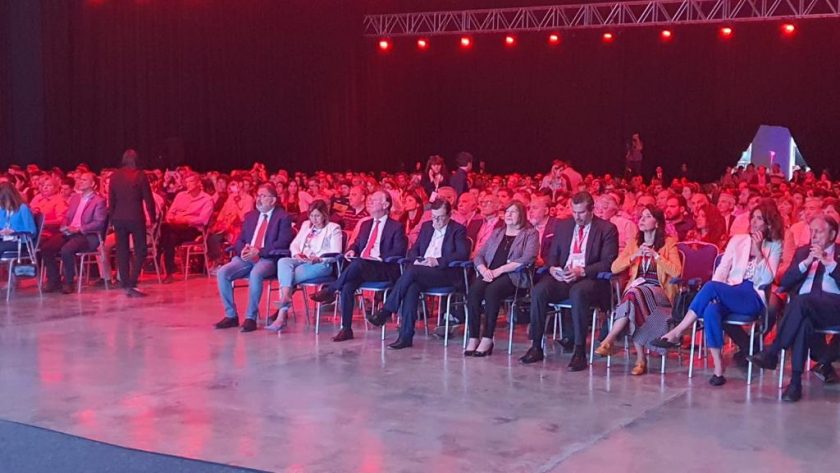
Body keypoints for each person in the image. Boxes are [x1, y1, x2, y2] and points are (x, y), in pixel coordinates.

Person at [653, 202, 784, 386]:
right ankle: (718, 368)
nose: (753, 222)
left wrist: (759, 252)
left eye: (759, 218)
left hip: (753, 296)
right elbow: (723, 269)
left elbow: (767, 279)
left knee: (711, 287)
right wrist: (716, 294)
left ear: (769, 224)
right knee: (711, 310)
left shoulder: (775, 245)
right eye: (752, 217)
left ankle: (678, 331)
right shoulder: (738, 240)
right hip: (732, 289)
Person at [520, 192, 619, 370]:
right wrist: (553, 268)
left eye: (581, 212)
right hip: (564, 276)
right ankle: (536, 346)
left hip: (591, 278)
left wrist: (582, 271)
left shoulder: (606, 229)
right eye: (574, 212)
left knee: (578, 292)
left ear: (591, 210)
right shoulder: (564, 226)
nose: (577, 217)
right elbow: (553, 255)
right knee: (539, 291)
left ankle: (579, 350)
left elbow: (608, 262)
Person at [748, 215, 840, 402]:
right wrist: (806, 263)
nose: (814, 235)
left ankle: (773, 352)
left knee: (800, 302)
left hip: (832, 307)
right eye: (811, 231)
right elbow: (785, 282)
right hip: (804, 308)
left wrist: (829, 263)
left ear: (832, 234)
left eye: (819, 231)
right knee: (803, 321)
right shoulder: (803, 252)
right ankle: (795, 384)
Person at [366, 200, 470, 349]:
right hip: (422, 271)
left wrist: (438, 261)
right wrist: (417, 259)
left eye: (440, 217)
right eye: (434, 217)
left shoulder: (458, 229)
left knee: (412, 272)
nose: (436, 221)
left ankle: (386, 311)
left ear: (449, 215)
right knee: (412, 287)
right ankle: (405, 337)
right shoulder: (427, 227)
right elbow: (413, 250)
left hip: (445, 273)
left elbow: (462, 254)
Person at [593, 205, 682, 375]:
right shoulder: (634, 243)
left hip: (659, 292)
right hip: (636, 292)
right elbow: (614, 267)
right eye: (641, 216)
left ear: (657, 223)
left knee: (633, 297)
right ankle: (639, 359)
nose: (642, 220)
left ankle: (611, 340)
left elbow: (677, 272)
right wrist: (634, 256)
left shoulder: (668, 243)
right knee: (634, 298)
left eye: (647, 216)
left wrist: (656, 256)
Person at [310, 191, 408, 342]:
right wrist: (351, 250)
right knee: (347, 285)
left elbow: (399, 251)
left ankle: (330, 290)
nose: (370, 202)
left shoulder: (396, 227)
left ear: (386, 205)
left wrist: (376, 258)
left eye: (374, 200)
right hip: (362, 267)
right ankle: (346, 329)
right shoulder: (366, 224)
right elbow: (357, 244)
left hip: (384, 267)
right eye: (370, 199)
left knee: (358, 264)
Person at [214, 184, 294, 333]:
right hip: (246, 257)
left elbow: (283, 242)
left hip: (268, 258)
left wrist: (259, 251)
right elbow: (239, 240)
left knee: (255, 273)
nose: (258, 199)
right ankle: (231, 315)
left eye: (263, 196)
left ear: (273, 200)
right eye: (258, 195)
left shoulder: (283, 217)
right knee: (223, 272)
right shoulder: (250, 216)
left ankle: (250, 317)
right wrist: (243, 250)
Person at [465, 201, 538, 356]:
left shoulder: (530, 233)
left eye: (513, 211)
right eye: (507, 211)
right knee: (474, 291)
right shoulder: (497, 232)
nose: (509, 215)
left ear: (521, 215)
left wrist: (500, 270)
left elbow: (528, 258)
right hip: (490, 273)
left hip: (513, 276)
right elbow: (479, 255)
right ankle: (473, 337)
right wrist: (483, 269)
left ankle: (487, 338)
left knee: (492, 291)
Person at [269, 200, 343, 331]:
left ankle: (282, 314)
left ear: (325, 215)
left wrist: (320, 258)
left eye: (317, 216)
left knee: (289, 277)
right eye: (312, 216)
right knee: (283, 262)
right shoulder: (306, 225)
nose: (314, 219)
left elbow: (336, 253)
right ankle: (285, 300)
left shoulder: (333, 228)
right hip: (303, 259)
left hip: (321, 264)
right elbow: (294, 244)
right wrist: (297, 254)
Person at [41, 172, 108, 294]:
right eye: (80, 179)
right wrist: (64, 226)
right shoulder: (75, 198)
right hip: (70, 232)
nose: (80, 182)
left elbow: (99, 223)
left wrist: (79, 229)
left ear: (93, 184)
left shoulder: (99, 201)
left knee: (66, 250)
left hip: (86, 235)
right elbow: (67, 216)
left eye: (84, 180)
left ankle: (69, 282)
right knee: (46, 248)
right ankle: (54, 280)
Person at [108, 150, 158, 296]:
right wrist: (153, 218)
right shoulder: (140, 175)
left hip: (118, 217)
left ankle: (124, 282)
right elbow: (149, 199)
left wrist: (112, 218)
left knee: (122, 251)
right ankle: (132, 280)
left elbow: (111, 199)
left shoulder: (114, 176)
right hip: (135, 217)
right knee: (141, 249)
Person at [159, 173, 214, 282]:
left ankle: (158, 253)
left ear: (198, 183)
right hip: (175, 228)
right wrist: (175, 219)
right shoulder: (180, 196)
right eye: (186, 182)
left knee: (165, 231)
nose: (188, 184)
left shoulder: (207, 199)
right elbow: (169, 214)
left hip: (193, 230)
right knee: (169, 237)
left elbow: (203, 220)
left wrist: (185, 220)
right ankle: (169, 272)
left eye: (191, 181)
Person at [0, 182, 37, 254]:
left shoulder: (23, 208)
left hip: (19, 242)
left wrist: (14, 231)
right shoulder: (2, 210)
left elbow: (31, 231)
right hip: (5, 239)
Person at [467, 192, 503, 256]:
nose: (483, 205)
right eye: (482, 202)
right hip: (470, 258)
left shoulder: (503, 225)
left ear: (498, 206)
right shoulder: (474, 223)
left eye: (488, 202)